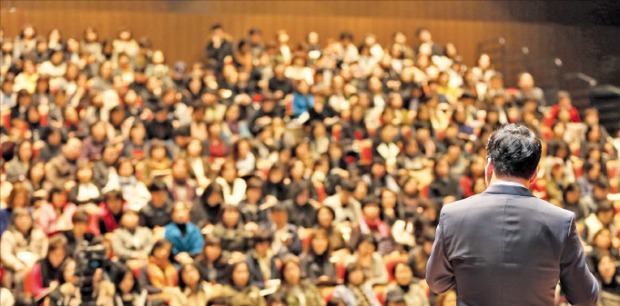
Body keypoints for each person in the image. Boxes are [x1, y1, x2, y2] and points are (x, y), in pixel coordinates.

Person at [426, 124, 598, 305]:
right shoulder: (561, 222)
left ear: (489, 167)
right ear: (534, 174)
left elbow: (436, 282)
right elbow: (585, 297)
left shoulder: (453, 215)